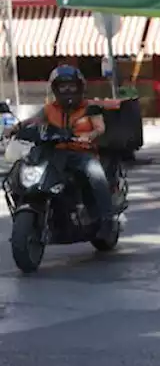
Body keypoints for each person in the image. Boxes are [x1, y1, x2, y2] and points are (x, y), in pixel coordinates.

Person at [5, 65, 114, 240]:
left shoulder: (90, 107)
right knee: (25, 170)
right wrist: (15, 128)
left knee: (95, 174)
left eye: (71, 86)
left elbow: (100, 127)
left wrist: (89, 135)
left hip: (82, 153)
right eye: (63, 87)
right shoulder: (50, 108)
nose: (68, 90)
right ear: (56, 89)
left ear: (79, 87)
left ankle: (107, 221)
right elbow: (34, 120)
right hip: (55, 153)